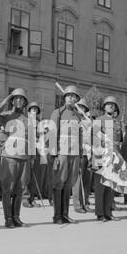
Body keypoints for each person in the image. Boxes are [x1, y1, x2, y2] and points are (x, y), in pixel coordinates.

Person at [0, 88, 31, 228]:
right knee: (8, 188)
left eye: (21, 99)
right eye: (16, 98)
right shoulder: (6, 115)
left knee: (20, 188)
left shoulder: (28, 119)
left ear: (25, 102)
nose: (18, 100)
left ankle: (16, 217)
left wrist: (32, 157)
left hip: (24, 157)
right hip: (10, 157)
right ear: (12, 101)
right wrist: (5, 101)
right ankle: (8, 218)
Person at [50, 85, 88, 224]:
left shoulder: (78, 115)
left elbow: (80, 135)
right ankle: (57, 215)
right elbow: (53, 133)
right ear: (64, 97)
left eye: (74, 96)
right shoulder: (57, 113)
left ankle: (65, 215)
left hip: (75, 153)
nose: (71, 98)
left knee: (69, 184)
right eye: (69, 96)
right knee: (59, 182)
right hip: (62, 153)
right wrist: (54, 154)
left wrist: (81, 153)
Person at [93, 96, 123, 222]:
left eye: (113, 104)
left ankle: (108, 212)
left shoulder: (118, 122)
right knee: (100, 186)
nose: (111, 106)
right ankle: (100, 213)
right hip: (102, 154)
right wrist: (96, 158)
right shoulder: (99, 120)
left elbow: (120, 141)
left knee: (111, 186)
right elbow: (94, 139)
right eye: (108, 104)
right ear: (104, 107)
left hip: (114, 156)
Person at [72, 98, 93, 213]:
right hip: (78, 152)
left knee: (86, 180)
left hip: (88, 153)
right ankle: (77, 204)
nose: (82, 109)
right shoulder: (75, 120)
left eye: (83, 107)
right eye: (80, 107)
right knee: (77, 179)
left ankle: (85, 202)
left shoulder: (88, 121)